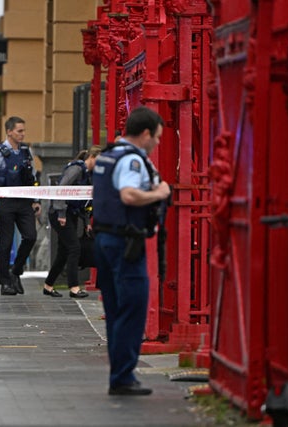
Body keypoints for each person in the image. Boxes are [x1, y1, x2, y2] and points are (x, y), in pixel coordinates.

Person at [92, 106, 171, 396]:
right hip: (125, 242)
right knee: (133, 306)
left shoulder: (108, 154)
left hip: (104, 239)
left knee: (114, 309)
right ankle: (124, 376)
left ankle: (119, 374)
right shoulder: (132, 161)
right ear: (146, 133)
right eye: (158, 137)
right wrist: (159, 194)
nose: (158, 143)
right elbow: (128, 194)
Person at [0, 116, 41, 296]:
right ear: (9, 132)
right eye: (19, 131)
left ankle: (15, 271)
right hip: (5, 202)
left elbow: (32, 177)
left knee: (31, 236)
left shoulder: (26, 151)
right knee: (6, 244)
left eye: (23, 130)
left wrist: (36, 200)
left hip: (24, 201)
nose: (23, 134)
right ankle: (4, 282)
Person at [43, 146, 101, 298]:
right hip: (60, 213)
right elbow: (61, 188)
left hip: (72, 213)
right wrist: (61, 213)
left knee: (64, 251)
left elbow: (85, 200)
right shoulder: (76, 169)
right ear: (93, 157)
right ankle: (74, 287)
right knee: (74, 248)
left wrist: (87, 221)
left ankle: (48, 285)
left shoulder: (88, 174)